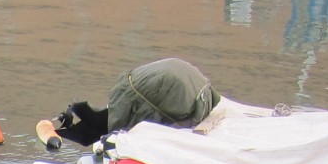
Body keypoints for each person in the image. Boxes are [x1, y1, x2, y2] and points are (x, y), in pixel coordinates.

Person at [48, 58, 220, 147]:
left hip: (191, 98)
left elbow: (116, 129)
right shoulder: (131, 81)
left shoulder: (123, 92)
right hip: (204, 90)